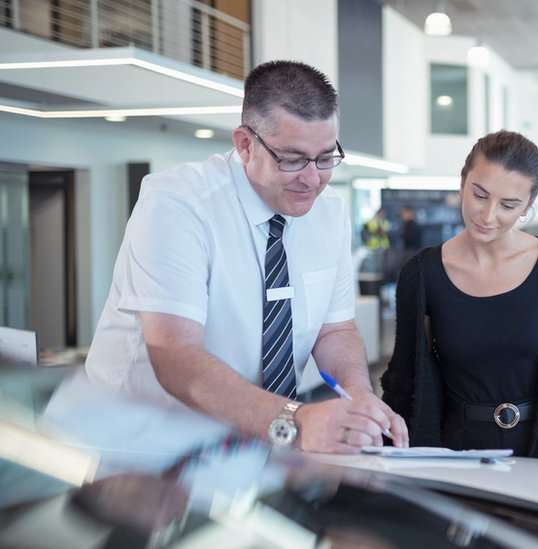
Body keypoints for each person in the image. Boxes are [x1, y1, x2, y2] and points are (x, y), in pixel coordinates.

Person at [44, 60, 408, 471]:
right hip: (135, 450)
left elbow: (335, 329)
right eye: (292, 159)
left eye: (326, 158)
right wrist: (296, 420)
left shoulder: (329, 213)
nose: (312, 179)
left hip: (242, 444)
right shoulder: (177, 203)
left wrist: (358, 398)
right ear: (245, 143)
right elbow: (176, 355)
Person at [380, 131, 538, 466]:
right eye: (480, 195)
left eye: (509, 205)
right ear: (462, 182)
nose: (488, 215)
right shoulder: (422, 275)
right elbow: (406, 383)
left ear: (528, 206)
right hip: (456, 456)